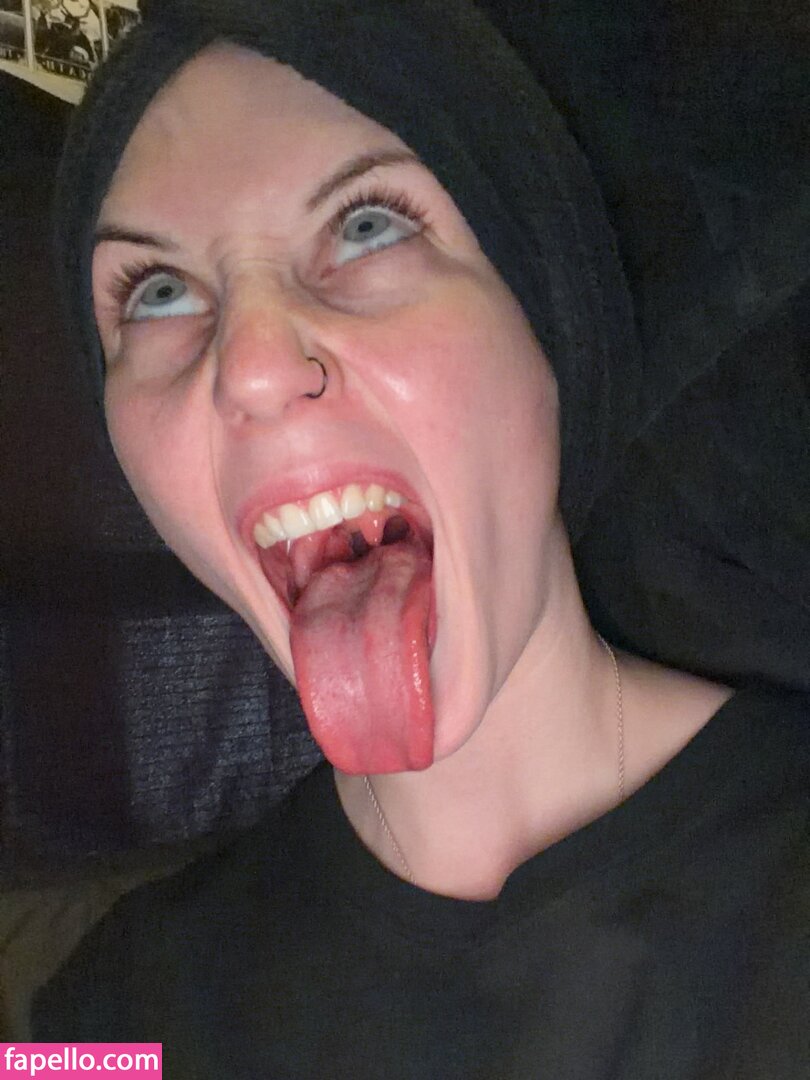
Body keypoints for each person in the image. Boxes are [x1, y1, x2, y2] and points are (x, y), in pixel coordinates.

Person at [32, 1, 808, 1076]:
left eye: (367, 226)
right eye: (156, 293)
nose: (249, 368)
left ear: (553, 325)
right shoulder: (104, 1023)